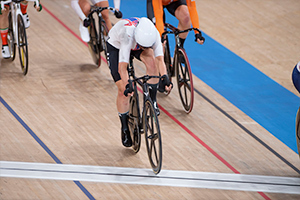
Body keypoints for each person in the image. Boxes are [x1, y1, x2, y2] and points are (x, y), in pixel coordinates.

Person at [106, 17, 172, 147]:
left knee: (152, 61)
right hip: (117, 46)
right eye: (143, 45)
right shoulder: (127, 36)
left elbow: (160, 60)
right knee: (123, 91)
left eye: (146, 45)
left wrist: (165, 77)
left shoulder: (154, 34)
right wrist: (127, 84)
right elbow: (122, 68)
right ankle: (124, 127)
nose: (144, 47)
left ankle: (152, 100)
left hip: (135, 46)